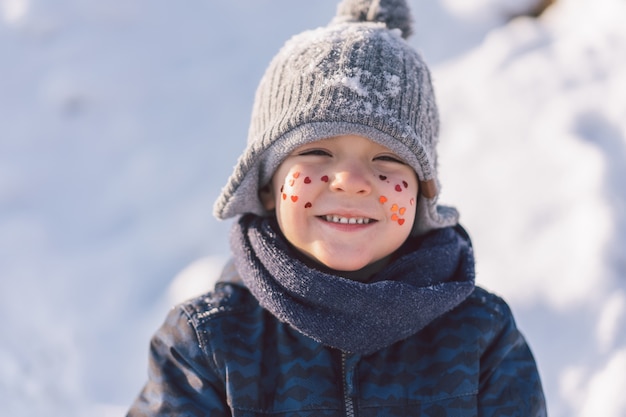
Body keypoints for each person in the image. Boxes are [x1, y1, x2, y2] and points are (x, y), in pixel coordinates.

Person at [128, 0, 547, 415]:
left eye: (388, 158)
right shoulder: (208, 342)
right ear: (268, 185)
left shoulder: (480, 335)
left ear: (422, 192)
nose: (351, 181)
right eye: (317, 151)